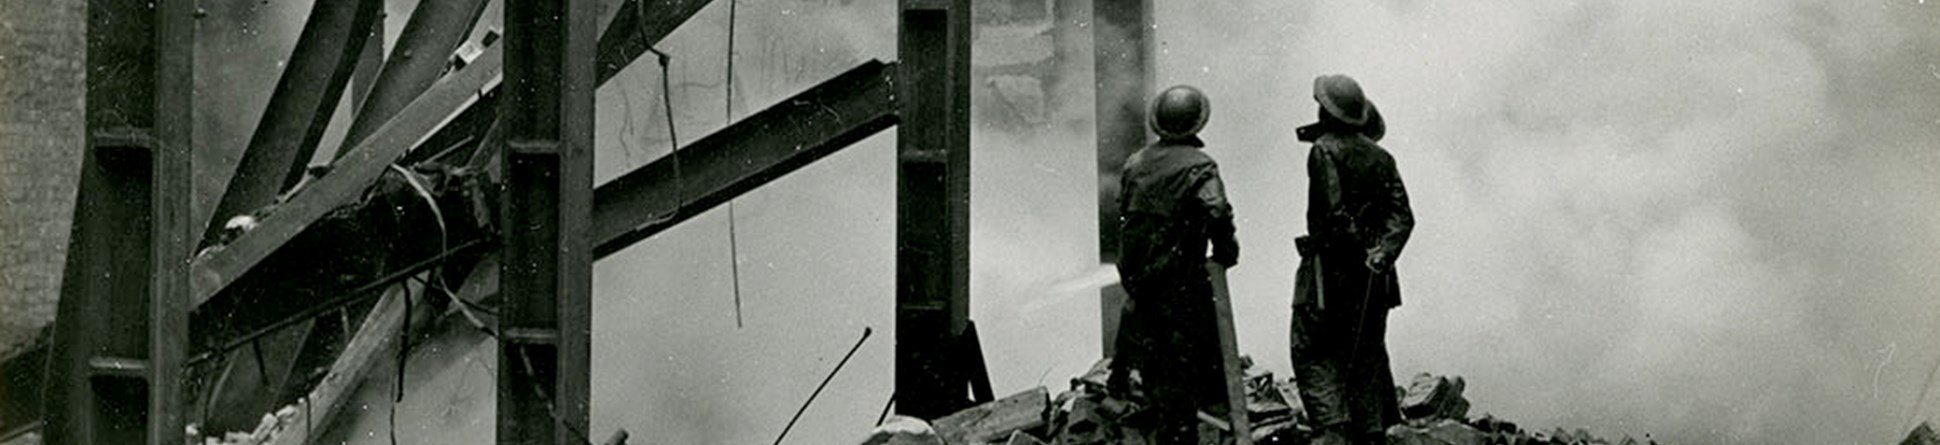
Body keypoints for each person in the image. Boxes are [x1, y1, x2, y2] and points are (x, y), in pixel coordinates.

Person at [1289, 74, 1414, 445]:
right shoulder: (1382, 156)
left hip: (1329, 273)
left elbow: (1333, 212)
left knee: (1311, 348)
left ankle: (1333, 430)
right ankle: (1372, 431)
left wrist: (1355, 247)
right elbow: (1403, 217)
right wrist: (1379, 254)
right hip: (1376, 279)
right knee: (1366, 353)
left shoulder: (1324, 150)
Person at [1113, 84, 1241, 444]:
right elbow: (1216, 210)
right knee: (1185, 372)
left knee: (1154, 366)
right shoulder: (1201, 166)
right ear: (1196, 124)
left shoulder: (1135, 163)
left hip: (1141, 284)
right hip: (1182, 284)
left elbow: (1125, 214)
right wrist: (1226, 251)